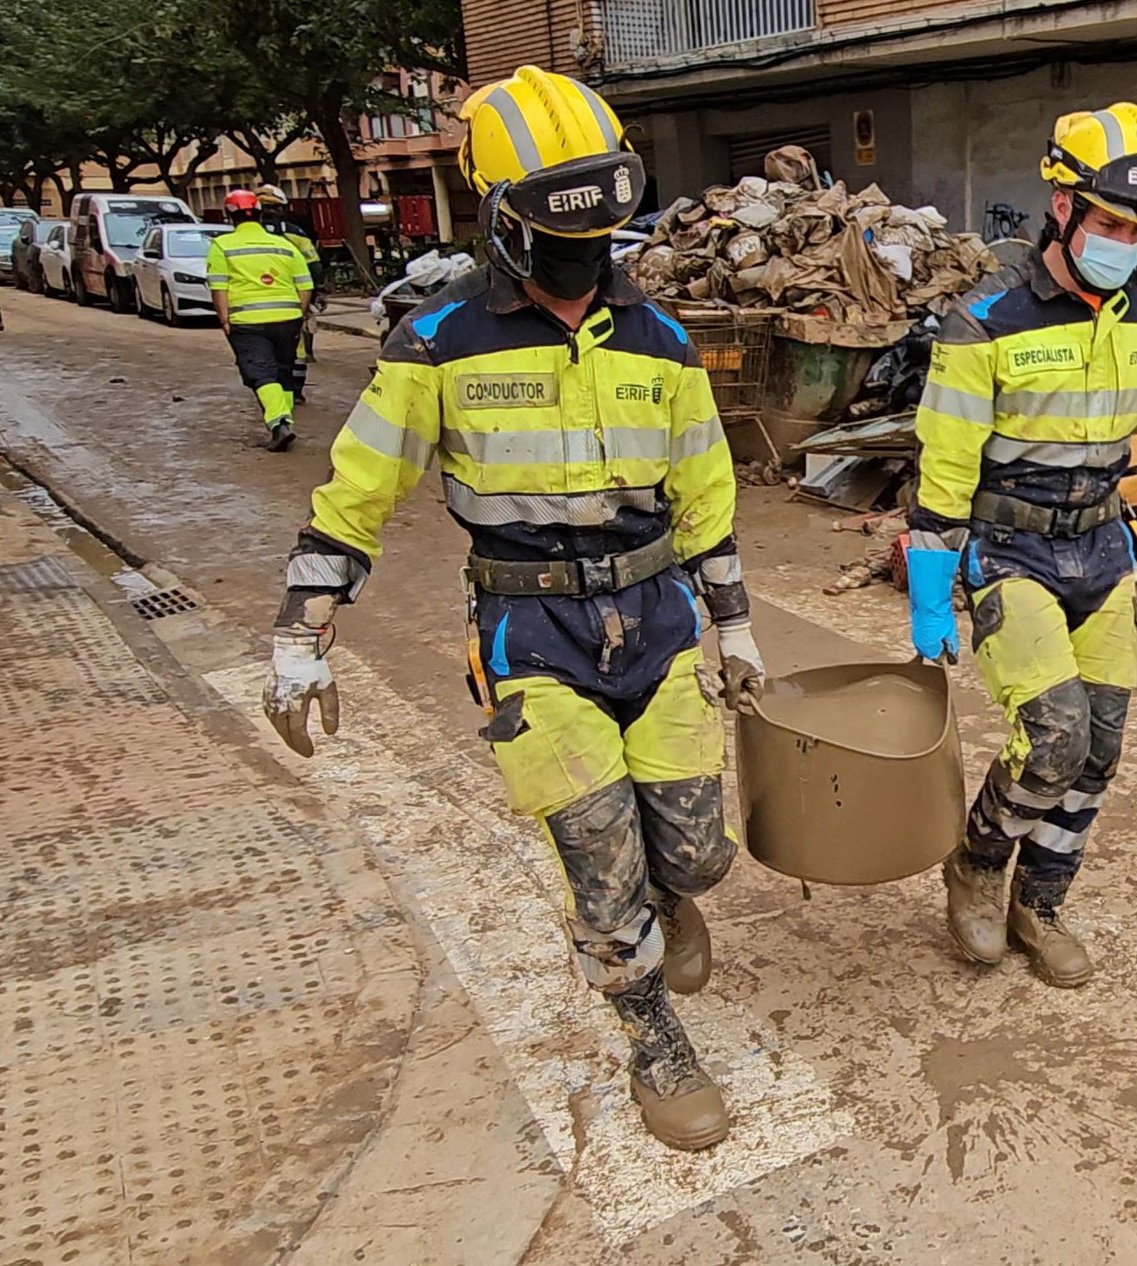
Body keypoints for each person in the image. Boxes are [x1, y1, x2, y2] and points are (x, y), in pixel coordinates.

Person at [259, 65, 763, 1152]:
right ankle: (654, 1041)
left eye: (600, 239)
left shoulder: (662, 344)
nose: (584, 269)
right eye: (560, 239)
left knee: (699, 850)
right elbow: (361, 490)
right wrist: (303, 626)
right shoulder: (438, 345)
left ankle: (673, 895)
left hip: (660, 617)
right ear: (501, 221)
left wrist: (734, 624)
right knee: (596, 855)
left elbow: (707, 491)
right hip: (529, 633)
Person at [910, 102, 1137, 988]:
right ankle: (976, 867)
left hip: (1100, 550)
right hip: (1010, 552)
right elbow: (944, 463)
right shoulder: (986, 320)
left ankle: (1039, 903)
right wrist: (932, 581)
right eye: (1111, 223)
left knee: (1101, 748)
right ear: (1062, 207)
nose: (1125, 242)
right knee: (1051, 737)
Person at [207, 190, 314, 451]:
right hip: (288, 317)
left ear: (229, 216)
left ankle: (279, 423)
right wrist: (298, 314)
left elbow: (218, 286)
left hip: (247, 320)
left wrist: (224, 319)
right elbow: (305, 284)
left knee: (260, 372)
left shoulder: (222, 246)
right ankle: (286, 420)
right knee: (283, 371)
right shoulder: (284, 245)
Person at [255, 184, 323, 404]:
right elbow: (314, 266)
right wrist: (315, 294)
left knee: (261, 349)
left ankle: (270, 391)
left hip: (253, 304)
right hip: (291, 301)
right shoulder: (295, 233)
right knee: (296, 348)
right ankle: (294, 392)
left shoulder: (241, 236)